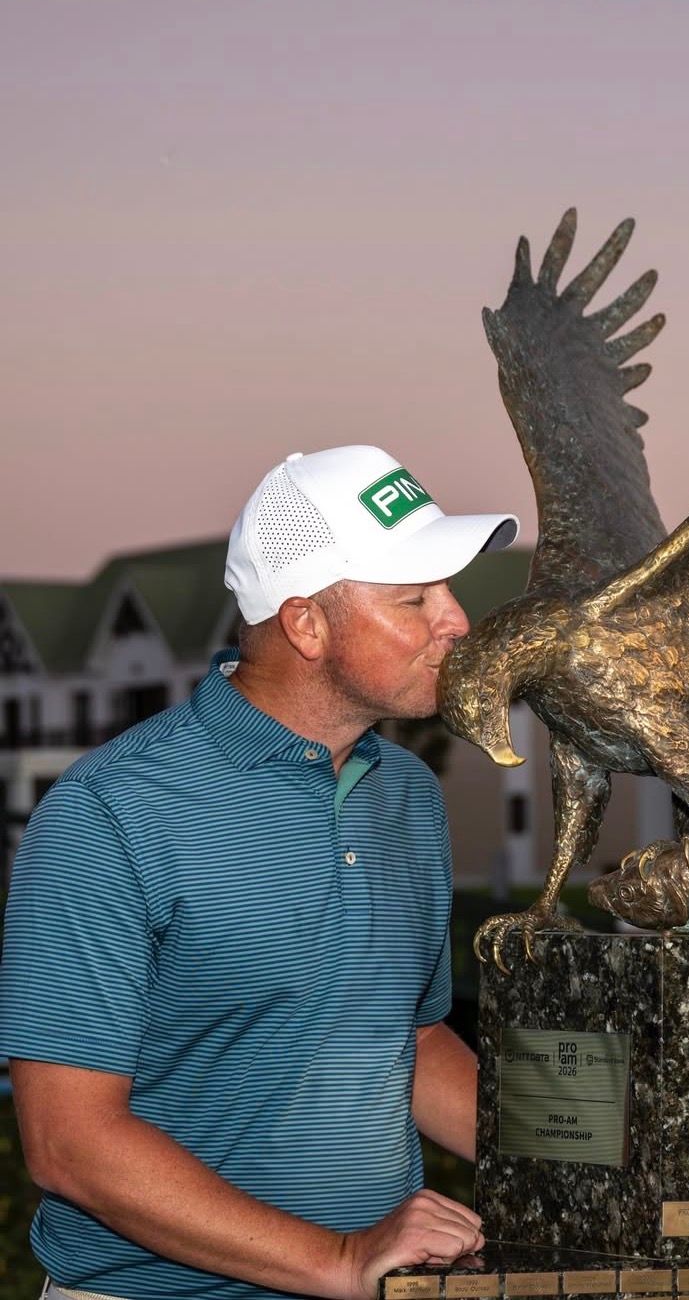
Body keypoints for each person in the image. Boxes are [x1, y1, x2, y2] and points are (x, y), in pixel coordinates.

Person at [0, 445, 518, 1300]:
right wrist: (337, 1260)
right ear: (306, 624)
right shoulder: (111, 810)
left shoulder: (408, 797)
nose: (456, 620)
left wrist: (615, 1165)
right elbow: (68, 1142)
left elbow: (412, 1042)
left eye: (448, 592)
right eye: (414, 598)